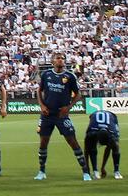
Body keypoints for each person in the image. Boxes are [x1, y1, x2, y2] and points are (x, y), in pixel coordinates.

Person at [35, 53, 92, 182]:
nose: (61, 60)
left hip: (62, 115)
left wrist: (69, 107)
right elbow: (39, 90)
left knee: (72, 141)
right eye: (58, 58)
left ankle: (85, 172)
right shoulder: (46, 75)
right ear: (52, 61)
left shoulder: (70, 76)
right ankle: (42, 171)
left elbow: (78, 94)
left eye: (62, 58)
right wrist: (41, 105)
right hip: (47, 115)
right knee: (43, 142)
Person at [85, 108, 122, 179]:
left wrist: (103, 167)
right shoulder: (91, 131)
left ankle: (116, 171)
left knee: (115, 146)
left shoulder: (113, 133)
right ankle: (95, 171)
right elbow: (86, 150)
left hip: (111, 117)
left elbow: (109, 147)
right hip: (94, 117)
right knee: (91, 146)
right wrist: (86, 169)